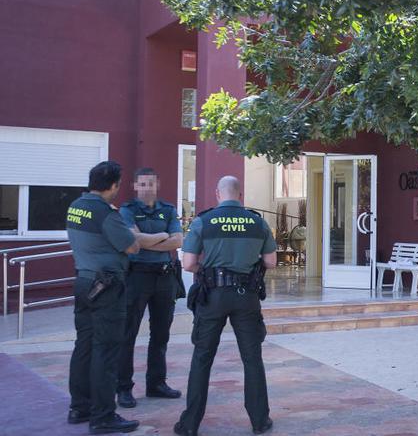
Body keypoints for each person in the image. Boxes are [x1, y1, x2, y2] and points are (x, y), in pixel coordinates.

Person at [66, 161, 168, 434]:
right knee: (107, 350)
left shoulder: (76, 206)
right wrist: (161, 235)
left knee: (84, 346)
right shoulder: (105, 213)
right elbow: (132, 245)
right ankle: (103, 416)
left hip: (83, 282)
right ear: (113, 186)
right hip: (107, 287)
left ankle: (79, 407)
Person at [174, 176, 277, 436]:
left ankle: (190, 424)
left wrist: (209, 271)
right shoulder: (257, 222)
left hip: (213, 296)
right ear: (239, 195)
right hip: (247, 297)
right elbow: (271, 262)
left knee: (202, 358)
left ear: (218, 194)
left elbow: (187, 264)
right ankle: (259, 420)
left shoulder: (203, 221)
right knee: (252, 359)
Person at [116, 168, 184, 408]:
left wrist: (147, 239)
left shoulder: (168, 209)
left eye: (151, 184)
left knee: (161, 334)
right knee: (128, 334)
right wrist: (163, 236)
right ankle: (123, 388)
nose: (147, 188)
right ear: (135, 186)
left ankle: (156, 384)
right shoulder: (127, 210)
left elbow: (178, 241)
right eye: (142, 184)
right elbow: (133, 241)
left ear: (157, 184)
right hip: (137, 277)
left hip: (164, 278)